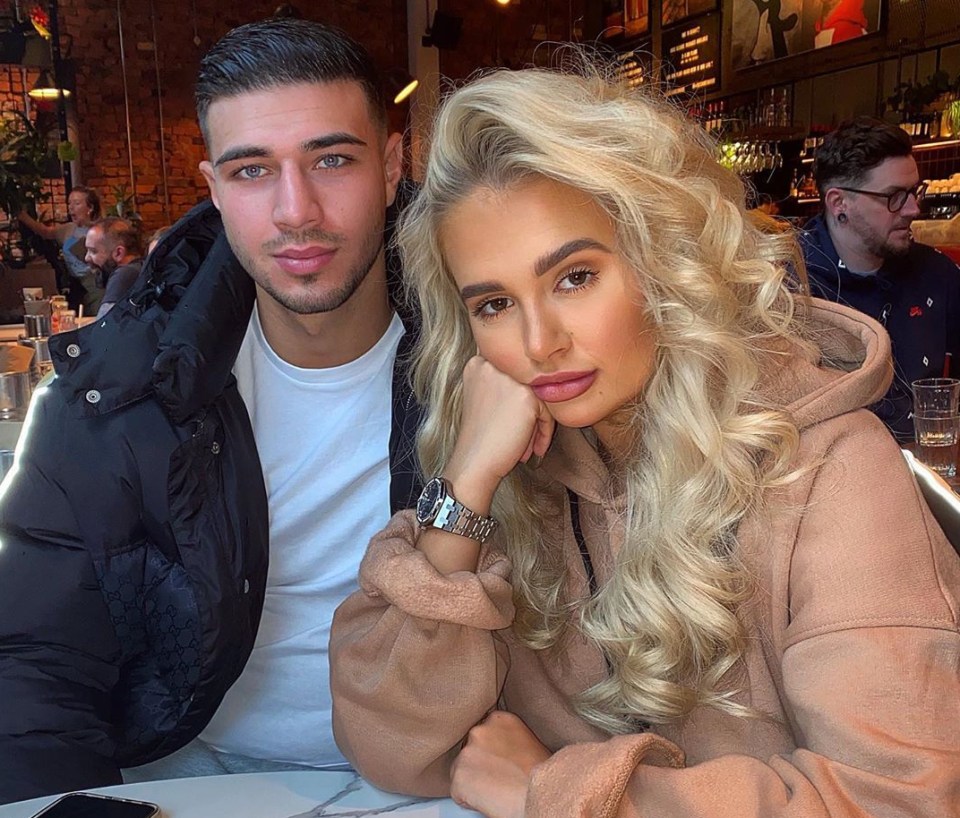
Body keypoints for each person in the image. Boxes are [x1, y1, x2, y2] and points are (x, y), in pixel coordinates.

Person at [330, 66, 960, 817]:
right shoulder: (511, 474)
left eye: (574, 278)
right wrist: (463, 486)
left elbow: (901, 801)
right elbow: (393, 748)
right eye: (495, 304)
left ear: (664, 260)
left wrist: (559, 793)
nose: (538, 342)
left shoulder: (831, 466)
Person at [0, 18, 419, 805]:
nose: (297, 211)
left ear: (393, 164)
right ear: (215, 188)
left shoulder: (493, 355)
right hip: (184, 771)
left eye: (332, 159)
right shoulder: (113, 392)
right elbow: (36, 662)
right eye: (254, 170)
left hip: (432, 768)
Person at [800, 116, 960, 440]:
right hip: (826, 477)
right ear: (839, 203)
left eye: (915, 191)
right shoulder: (790, 284)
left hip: (928, 475)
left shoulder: (939, 276)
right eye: (894, 197)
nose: (914, 209)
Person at [18, 186, 105, 315]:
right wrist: (23, 216)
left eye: (77, 203)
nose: (71, 207)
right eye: (69, 203)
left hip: (94, 284)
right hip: (74, 286)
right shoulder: (68, 229)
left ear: (90, 207)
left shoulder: (101, 229)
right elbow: (45, 232)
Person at [84, 216, 144, 318]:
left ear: (118, 253)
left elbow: (104, 328)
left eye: (93, 251)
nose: (86, 258)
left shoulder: (124, 275)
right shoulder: (141, 268)